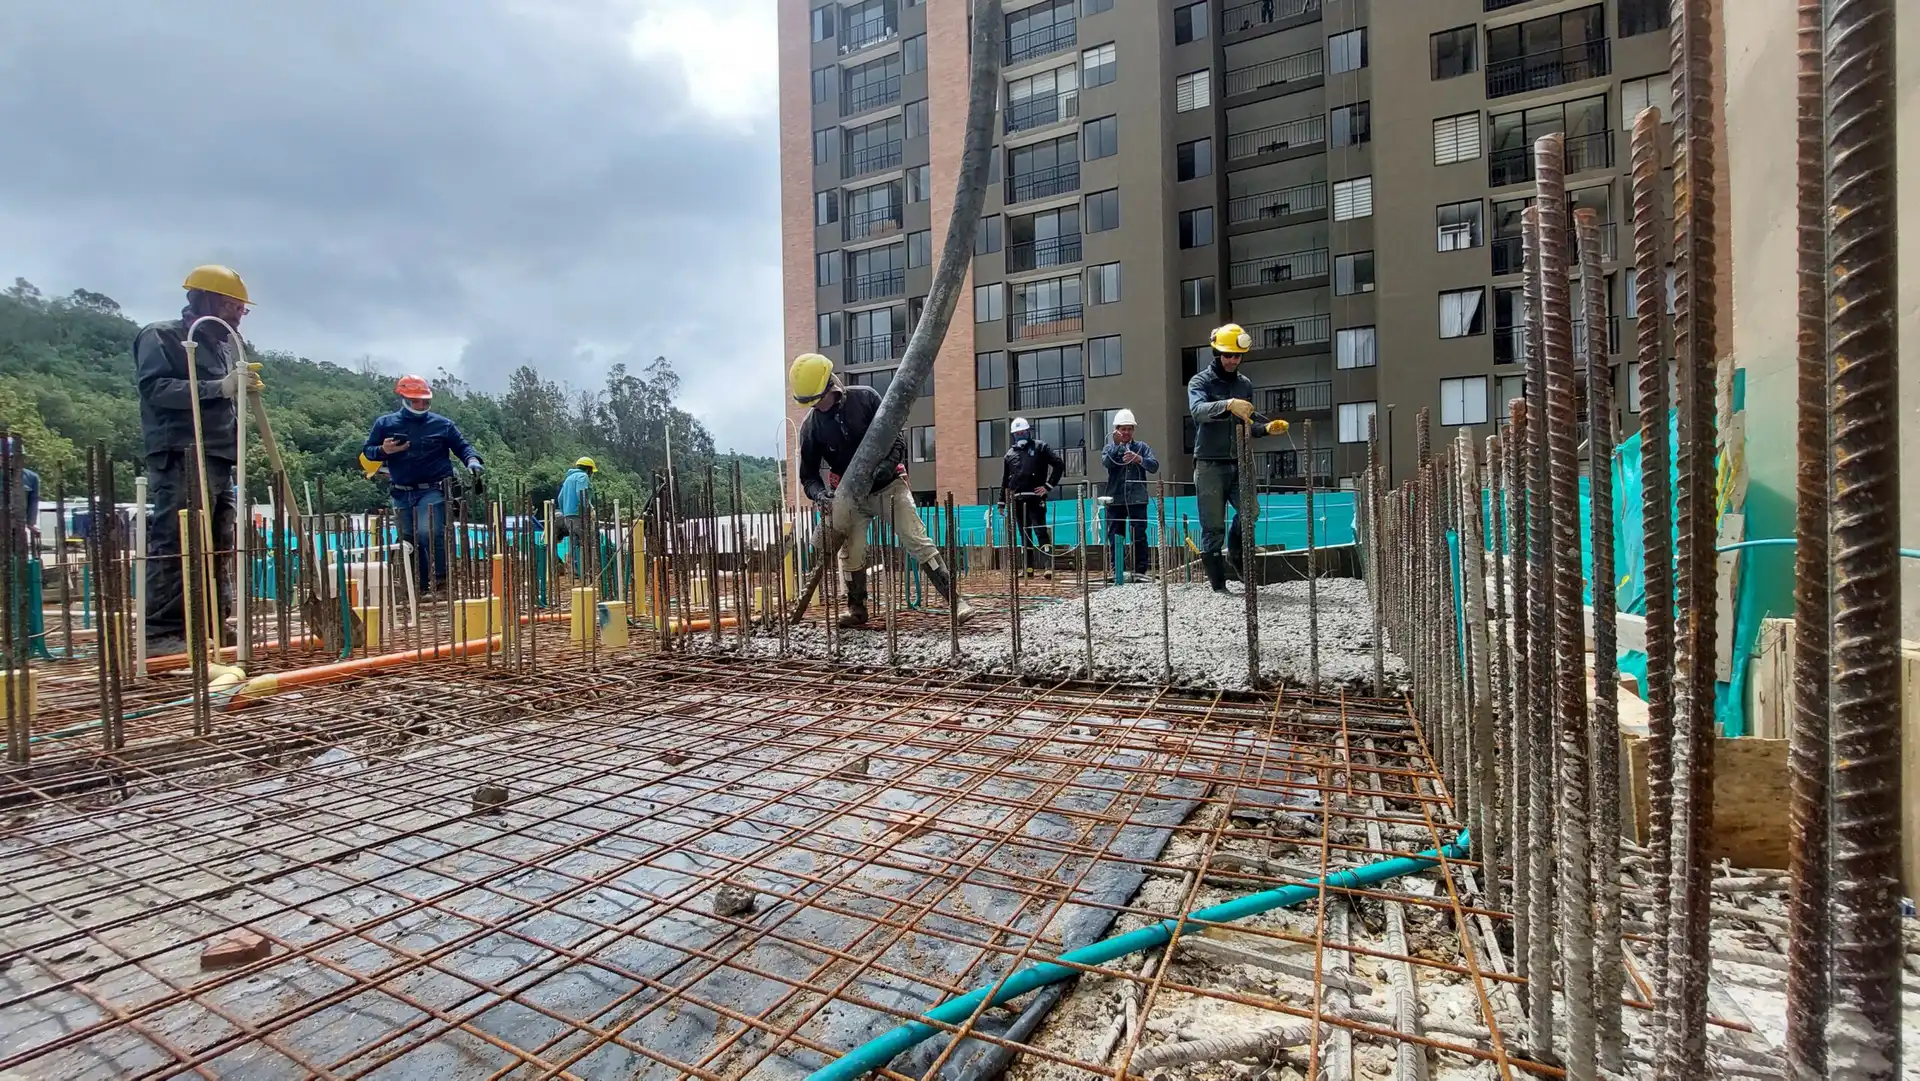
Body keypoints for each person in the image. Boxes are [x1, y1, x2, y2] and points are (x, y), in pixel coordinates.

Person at [789, 352, 973, 627]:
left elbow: (896, 437)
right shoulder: (811, 427)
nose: (816, 406)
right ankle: (857, 609)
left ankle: (955, 600)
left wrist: (887, 465)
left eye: (818, 400)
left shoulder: (865, 399)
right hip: (850, 495)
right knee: (851, 552)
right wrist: (819, 494)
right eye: (810, 403)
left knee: (916, 538)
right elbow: (809, 476)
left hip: (888, 486)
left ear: (831, 386)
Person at [135, 265, 262, 651]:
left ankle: (211, 623)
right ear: (205, 300)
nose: (238, 315)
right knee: (179, 537)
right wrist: (217, 387)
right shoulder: (163, 336)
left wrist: (240, 390)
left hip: (220, 454)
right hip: (182, 453)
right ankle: (163, 631)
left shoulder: (224, 347)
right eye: (232, 306)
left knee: (219, 539)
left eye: (241, 308)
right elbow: (156, 389)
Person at [1187, 323, 1289, 593]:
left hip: (1240, 462)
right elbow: (1198, 411)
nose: (1233, 360)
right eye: (1228, 355)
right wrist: (1228, 404)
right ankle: (1219, 586)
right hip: (1209, 463)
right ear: (1217, 353)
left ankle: (1236, 554)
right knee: (1212, 526)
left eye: (1237, 355)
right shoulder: (1200, 382)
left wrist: (1266, 429)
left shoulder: (1244, 385)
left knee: (1250, 512)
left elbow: (1246, 424)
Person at [362, 375, 482, 594]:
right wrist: (383, 450)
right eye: (416, 401)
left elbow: (463, 447)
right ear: (404, 398)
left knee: (430, 532)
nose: (421, 405)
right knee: (408, 539)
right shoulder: (385, 424)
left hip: (433, 488)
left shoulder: (443, 425)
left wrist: (472, 461)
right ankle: (419, 585)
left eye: (425, 401)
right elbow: (368, 451)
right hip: (401, 492)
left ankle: (442, 582)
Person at [999, 416, 1065, 579]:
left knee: (1040, 531)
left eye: (1023, 432)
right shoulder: (1010, 454)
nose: (1020, 435)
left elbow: (1058, 464)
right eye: (1017, 433)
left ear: (1028, 432)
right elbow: (1005, 480)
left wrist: (1048, 486)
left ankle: (1048, 566)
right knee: (1024, 534)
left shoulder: (1040, 447)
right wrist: (1002, 502)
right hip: (1017, 499)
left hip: (1035, 498)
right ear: (1013, 435)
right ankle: (1028, 569)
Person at [1099, 409, 1159, 583]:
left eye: (1129, 429)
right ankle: (1117, 570)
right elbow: (1107, 462)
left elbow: (1154, 466)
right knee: (1115, 535)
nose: (1126, 432)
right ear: (1116, 430)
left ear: (1133, 430)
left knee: (1139, 535)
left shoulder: (1142, 447)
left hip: (1137, 499)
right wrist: (1117, 447)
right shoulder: (1109, 448)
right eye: (1123, 429)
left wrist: (1138, 459)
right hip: (1115, 500)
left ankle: (1140, 571)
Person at [556, 456, 595, 575]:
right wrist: (588, 509)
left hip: (568, 517)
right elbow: (581, 494)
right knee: (588, 541)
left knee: (574, 543)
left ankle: (577, 571)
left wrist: (565, 512)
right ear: (588, 469)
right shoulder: (583, 477)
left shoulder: (568, 479)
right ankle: (589, 570)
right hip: (579, 516)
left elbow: (560, 498)